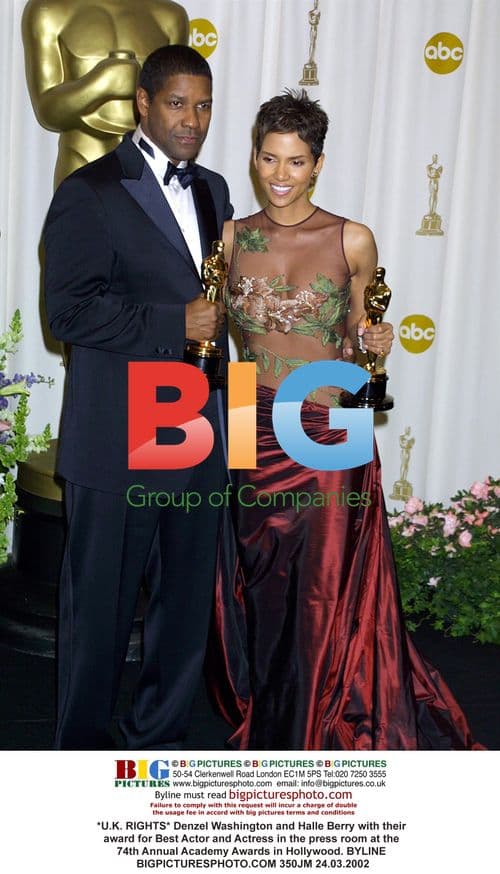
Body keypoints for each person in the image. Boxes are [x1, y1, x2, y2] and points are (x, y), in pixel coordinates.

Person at [208, 90, 483, 751]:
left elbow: (363, 333)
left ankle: (316, 719)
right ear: (253, 156)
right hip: (250, 410)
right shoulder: (232, 237)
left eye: (296, 162)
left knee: (324, 586)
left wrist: (375, 341)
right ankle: (273, 709)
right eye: (269, 158)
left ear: (318, 164)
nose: (280, 175)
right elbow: (210, 330)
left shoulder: (350, 238)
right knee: (260, 577)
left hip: (330, 416)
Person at [43, 44, 232, 750]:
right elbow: (67, 313)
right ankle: (82, 759)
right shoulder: (89, 191)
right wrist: (172, 322)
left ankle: (157, 744)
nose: (192, 120)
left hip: (196, 428)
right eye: (178, 103)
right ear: (143, 104)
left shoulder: (214, 190)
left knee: (184, 608)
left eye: (203, 105)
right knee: (99, 612)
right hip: (118, 434)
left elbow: (223, 310)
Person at [22, 0, 189, 187]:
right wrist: (102, 83)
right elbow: (47, 111)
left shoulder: (170, 17)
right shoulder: (48, 11)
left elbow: (178, 106)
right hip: (83, 155)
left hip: (149, 160)